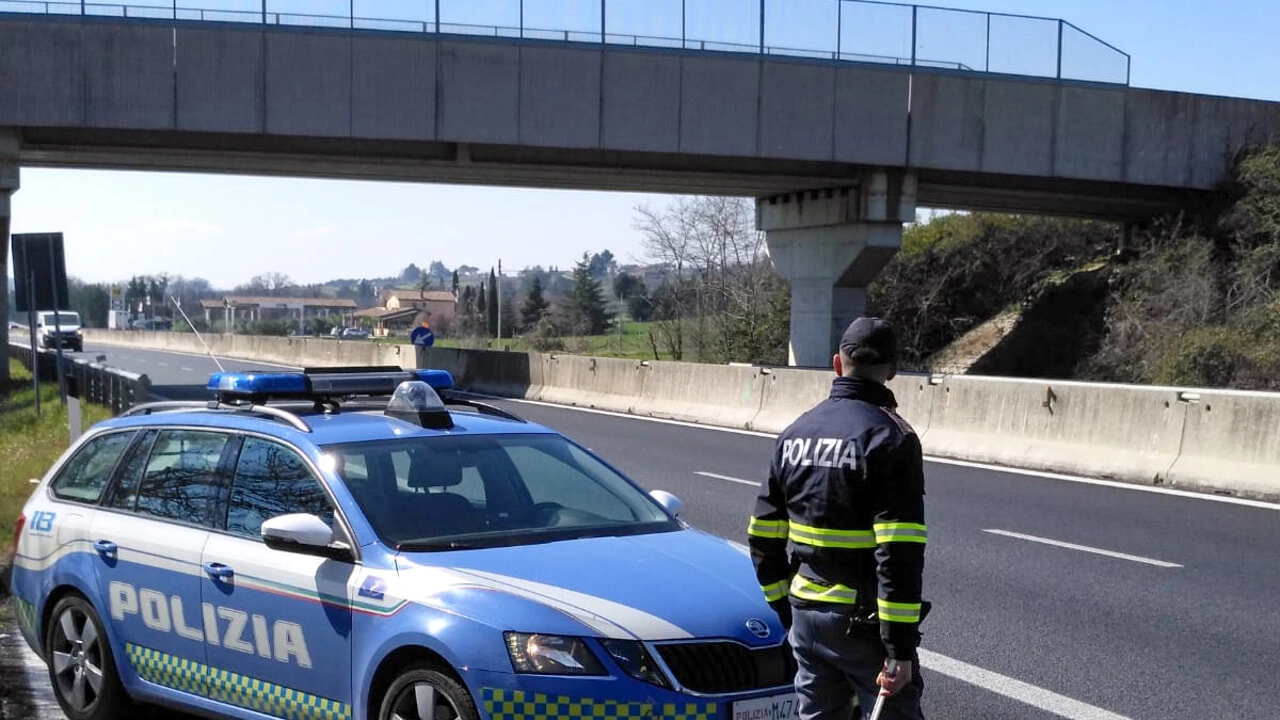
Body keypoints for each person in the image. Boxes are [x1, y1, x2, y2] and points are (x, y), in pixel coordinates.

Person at [748, 316, 928, 720]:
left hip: (805, 615)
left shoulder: (795, 432)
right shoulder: (891, 438)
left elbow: (762, 535)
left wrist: (785, 608)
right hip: (861, 627)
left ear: (836, 363)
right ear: (893, 371)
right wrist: (898, 650)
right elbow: (898, 551)